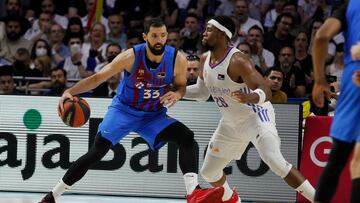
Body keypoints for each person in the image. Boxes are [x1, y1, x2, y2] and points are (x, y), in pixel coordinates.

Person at [38, 17, 222, 203]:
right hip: (123, 111)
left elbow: (181, 87)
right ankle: (53, 195)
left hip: (153, 115)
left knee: (186, 137)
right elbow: (98, 78)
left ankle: (193, 193)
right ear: (145, 37)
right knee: (96, 152)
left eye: (163, 35)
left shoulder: (178, 59)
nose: (159, 40)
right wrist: (69, 91)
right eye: (154, 36)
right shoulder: (130, 57)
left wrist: (178, 94)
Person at [184, 15, 315, 203]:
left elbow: (266, 90)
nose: (204, 33)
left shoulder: (238, 60)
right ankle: (233, 200)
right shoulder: (205, 59)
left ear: (222, 34)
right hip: (231, 123)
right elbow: (202, 93)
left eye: (209, 30)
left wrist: (250, 97)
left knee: (275, 161)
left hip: (256, 115)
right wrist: (178, 91)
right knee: (209, 172)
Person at [312, 1, 360, 202]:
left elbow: (322, 36)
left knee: (337, 157)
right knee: (358, 162)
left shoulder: (352, 4)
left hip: (352, 79)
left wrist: (319, 79)